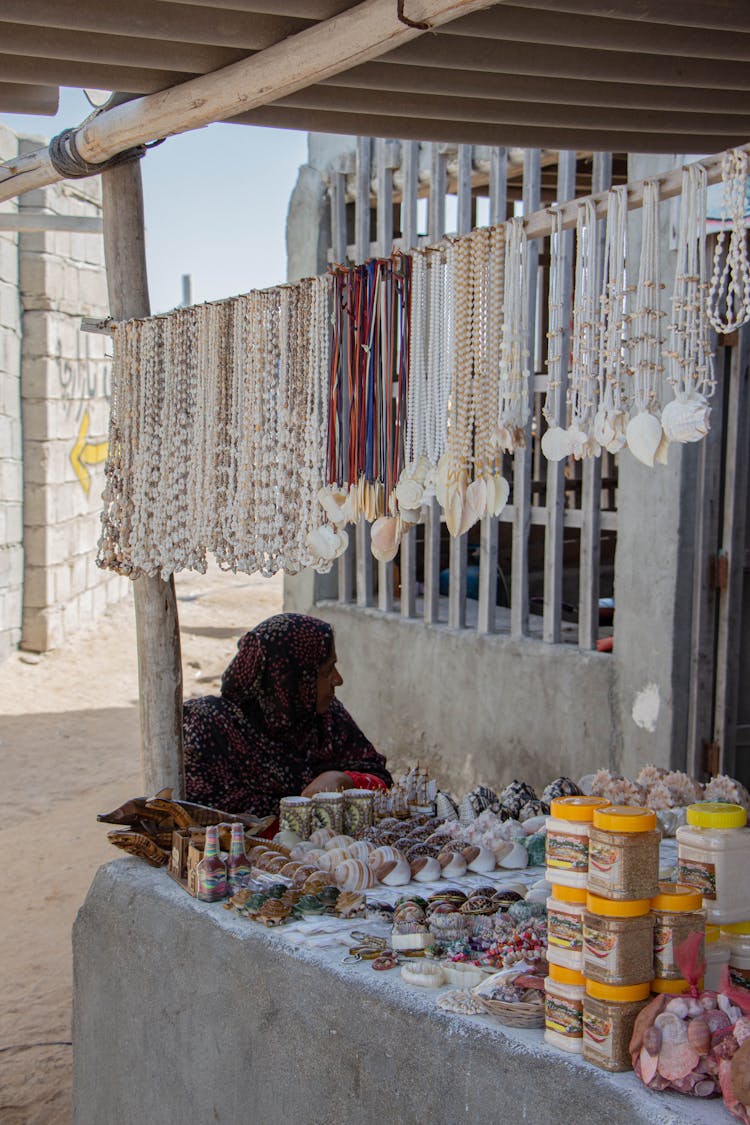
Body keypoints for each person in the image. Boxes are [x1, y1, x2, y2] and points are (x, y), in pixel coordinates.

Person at [183, 613, 391, 817]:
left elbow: (382, 783)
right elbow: (197, 817)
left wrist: (346, 780)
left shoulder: (326, 719)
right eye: (327, 670)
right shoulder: (206, 728)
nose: (338, 679)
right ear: (288, 681)